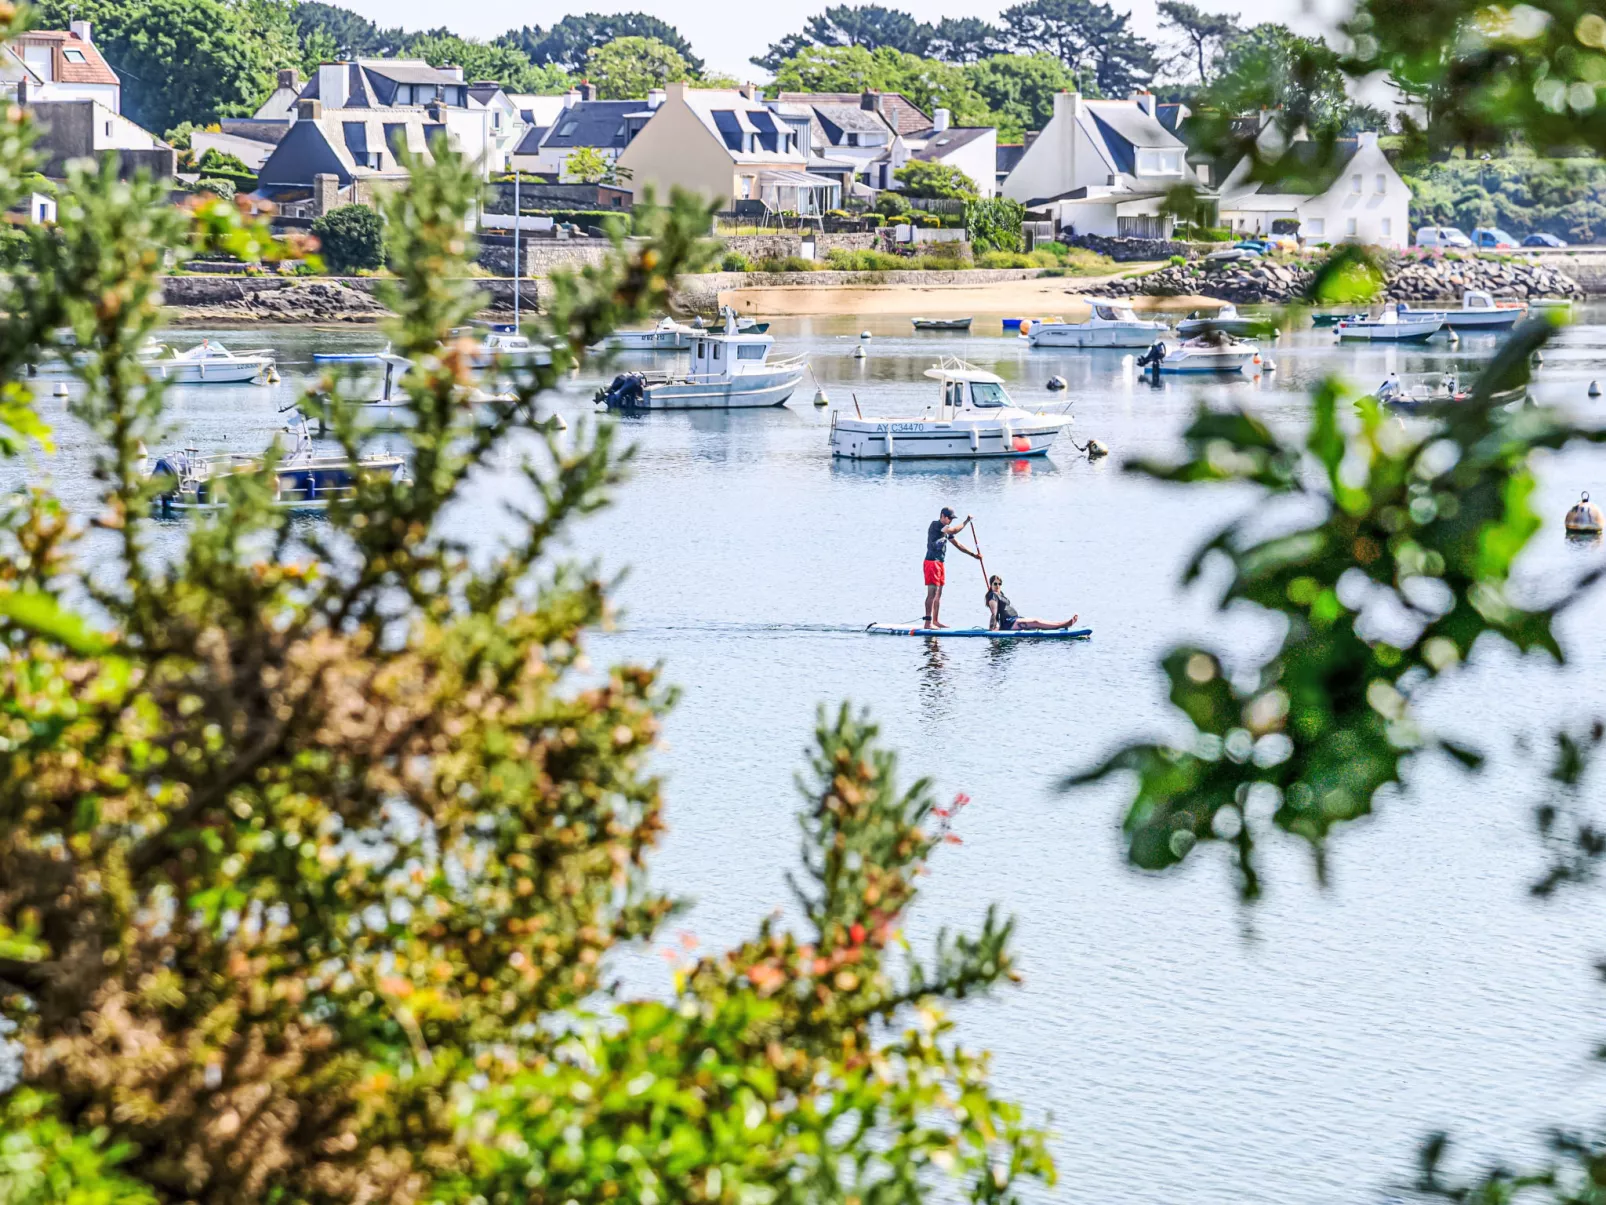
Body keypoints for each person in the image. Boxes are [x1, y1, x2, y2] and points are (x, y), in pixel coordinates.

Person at [924, 506, 978, 628]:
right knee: (932, 593)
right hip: (931, 562)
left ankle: (935, 621)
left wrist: (973, 555)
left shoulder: (946, 531)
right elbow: (954, 530)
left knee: (938, 594)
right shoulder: (936, 525)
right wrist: (966, 521)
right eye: (949, 518)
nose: (950, 521)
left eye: (952, 519)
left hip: (940, 563)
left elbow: (957, 544)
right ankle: (927, 622)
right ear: (942, 516)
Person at [985, 575, 1078, 632]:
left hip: (1015, 619)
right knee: (1035, 622)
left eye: (999, 584)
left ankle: (1059, 624)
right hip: (1009, 623)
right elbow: (994, 613)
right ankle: (1064, 624)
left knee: (1037, 621)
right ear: (991, 584)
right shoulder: (993, 596)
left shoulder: (1000, 594)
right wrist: (992, 628)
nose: (998, 586)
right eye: (995, 584)